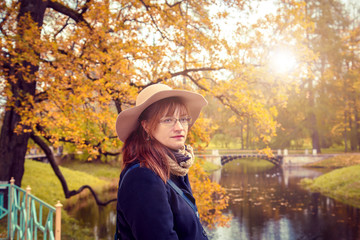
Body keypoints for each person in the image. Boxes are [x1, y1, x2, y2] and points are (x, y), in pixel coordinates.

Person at [115, 83, 209, 240]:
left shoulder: (175, 168)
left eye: (183, 119)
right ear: (146, 126)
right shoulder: (142, 178)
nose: (180, 127)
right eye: (168, 120)